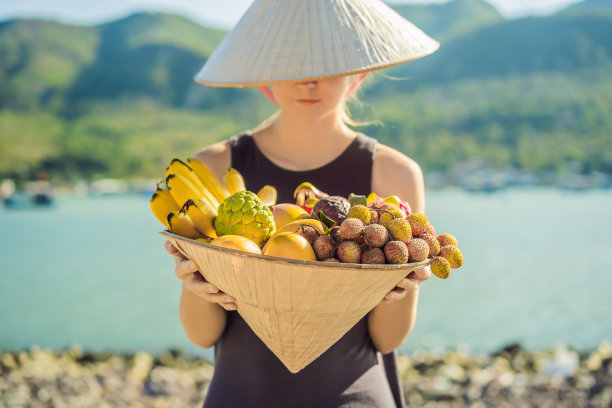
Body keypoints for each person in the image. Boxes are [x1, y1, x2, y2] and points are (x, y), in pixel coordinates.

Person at [164, 0, 440, 406]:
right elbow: (201, 335)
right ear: (263, 77)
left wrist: (400, 288)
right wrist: (195, 282)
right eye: (289, 63)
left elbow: (388, 338)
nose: (306, 81)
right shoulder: (213, 167)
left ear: (357, 73)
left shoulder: (395, 175)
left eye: (326, 63)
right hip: (241, 395)